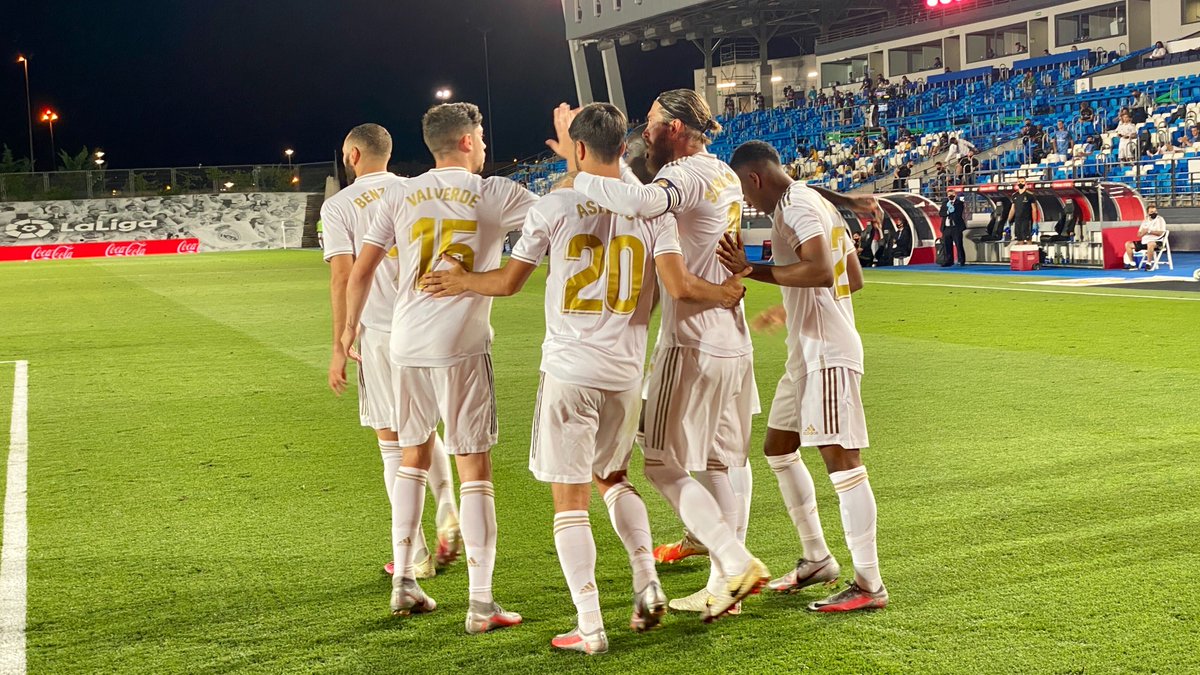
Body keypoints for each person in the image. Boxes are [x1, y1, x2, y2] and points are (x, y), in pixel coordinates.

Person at [421, 103, 749, 653]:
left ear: (576, 148)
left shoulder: (553, 206)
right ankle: (646, 583)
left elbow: (506, 284)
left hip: (570, 371)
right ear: (626, 149)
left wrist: (459, 281)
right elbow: (675, 280)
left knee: (569, 502)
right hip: (625, 373)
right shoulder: (654, 213)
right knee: (615, 478)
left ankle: (591, 626)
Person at [569, 89, 770, 621]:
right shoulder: (720, 173)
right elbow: (655, 198)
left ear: (676, 129)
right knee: (725, 460)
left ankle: (733, 561)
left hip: (693, 340)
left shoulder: (684, 175)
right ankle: (724, 584)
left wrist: (580, 167)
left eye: (653, 124)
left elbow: (644, 203)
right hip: (733, 339)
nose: (644, 133)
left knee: (659, 462)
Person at [344, 102, 538, 630]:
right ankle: (480, 603)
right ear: (470, 141)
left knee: (412, 456)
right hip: (461, 344)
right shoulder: (494, 193)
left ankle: (404, 581)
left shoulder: (400, 192)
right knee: (472, 466)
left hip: (403, 341)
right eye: (482, 137)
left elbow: (361, 271)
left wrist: (346, 330)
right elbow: (558, 218)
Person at [719, 140, 887, 612]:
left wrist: (753, 270)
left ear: (754, 178)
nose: (748, 203)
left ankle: (870, 585)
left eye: (745, 193)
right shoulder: (808, 201)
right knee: (778, 446)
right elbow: (850, 278)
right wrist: (791, 308)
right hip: (806, 352)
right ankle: (817, 558)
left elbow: (820, 268)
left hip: (830, 352)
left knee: (842, 462)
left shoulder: (796, 206)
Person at [322, 123, 460, 583]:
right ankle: (449, 508)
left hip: (382, 332)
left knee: (392, 442)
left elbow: (345, 277)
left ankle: (416, 553)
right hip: (428, 327)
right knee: (424, 429)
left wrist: (342, 339)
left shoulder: (340, 205)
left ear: (354, 155)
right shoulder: (418, 191)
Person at [1123, 206, 1167, 270]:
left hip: (1157, 242)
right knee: (1128, 244)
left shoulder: (1160, 220)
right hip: (1144, 241)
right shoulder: (1145, 221)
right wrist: (1143, 233)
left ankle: (1148, 264)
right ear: (1148, 213)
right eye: (1152, 212)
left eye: (1155, 211)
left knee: (1150, 244)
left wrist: (1149, 231)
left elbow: (1161, 233)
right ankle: (1132, 264)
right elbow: (1138, 234)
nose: (1154, 213)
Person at [939, 189, 968, 266]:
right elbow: (941, 213)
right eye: (949, 195)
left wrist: (952, 208)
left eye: (952, 195)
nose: (950, 196)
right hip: (947, 227)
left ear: (955, 195)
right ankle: (948, 261)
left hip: (956, 227)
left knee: (959, 244)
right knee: (947, 245)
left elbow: (958, 214)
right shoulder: (945, 203)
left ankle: (961, 260)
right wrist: (947, 212)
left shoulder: (959, 203)